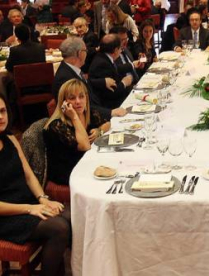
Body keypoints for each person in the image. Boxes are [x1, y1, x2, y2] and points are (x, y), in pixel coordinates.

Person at [0, 92, 71, 276]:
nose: (1, 117)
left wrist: (43, 199)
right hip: (6, 217)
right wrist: (30, 208)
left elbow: (29, 175)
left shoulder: (9, 138)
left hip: (27, 203)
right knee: (59, 228)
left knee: (73, 217)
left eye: (2, 111)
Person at [44, 79, 110, 186]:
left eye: (81, 96)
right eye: (72, 98)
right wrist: (74, 117)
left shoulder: (88, 113)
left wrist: (99, 131)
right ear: (64, 102)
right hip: (69, 172)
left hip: (85, 162)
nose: (78, 101)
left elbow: (107, 124)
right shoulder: (57, 126)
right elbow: (85, 146)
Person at [53, 37, 127, 119]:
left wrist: (102, 82)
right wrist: (110, 113)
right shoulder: (65, 78)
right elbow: (79, 108)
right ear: (80, 53)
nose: (86, 53)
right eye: (86, 51)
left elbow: (86, 83)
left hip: (96, 109)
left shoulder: (70, 69)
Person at [89, 34, 133, 109]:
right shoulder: (103, 63)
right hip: (110, 106)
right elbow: (111, 93)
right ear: (115, 50)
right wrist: (124, 83)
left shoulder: (102, 57)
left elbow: (114, 70)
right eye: (120, 49)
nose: (121, 51)